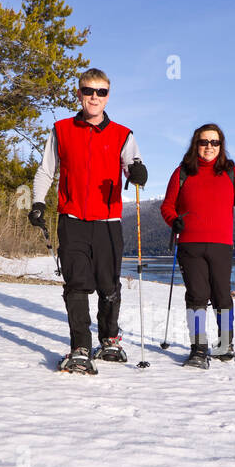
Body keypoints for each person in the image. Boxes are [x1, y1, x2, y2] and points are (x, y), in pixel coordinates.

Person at [30, 68, 147, 374]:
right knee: (77, 282)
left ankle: (109, 338)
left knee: (109, 284)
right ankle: (80, 346)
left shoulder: (123, 134)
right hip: (73, 220)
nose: (95, 97)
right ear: (79, 93)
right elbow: (46, 171)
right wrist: (38, 202)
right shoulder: (61, 130)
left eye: (101, 92)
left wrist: (138, 174)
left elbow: (133, 168)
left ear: (108, 96)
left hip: (108, 221)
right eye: (89, 91)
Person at [160, 123, 235, 368]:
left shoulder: (230, 172)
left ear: (221, 146)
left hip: (221, 245)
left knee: (222, 296)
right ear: (195, 144)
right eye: (204, 141)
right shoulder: (182, 172)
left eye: (214, 142)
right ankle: (198, 349)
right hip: (190, 244)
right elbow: (167, 206)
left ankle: (224, 345)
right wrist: (173, 220)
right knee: (197, 296)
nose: (209, 147)